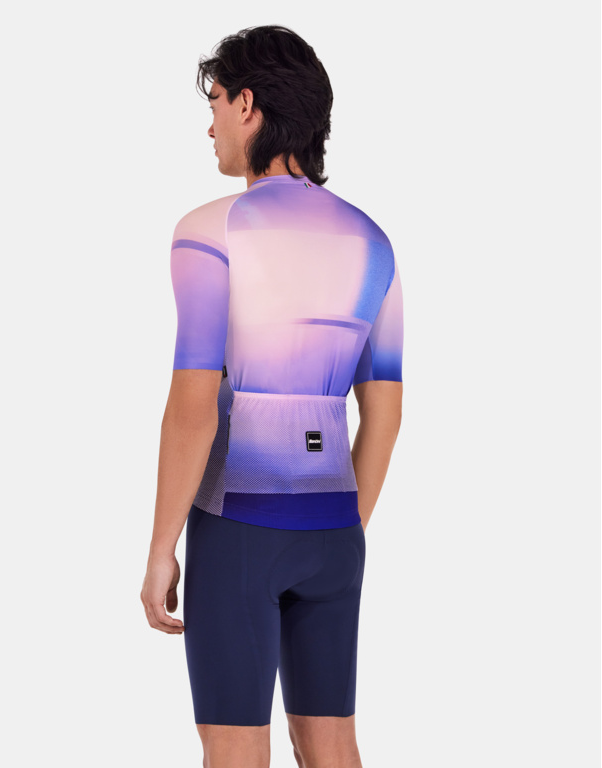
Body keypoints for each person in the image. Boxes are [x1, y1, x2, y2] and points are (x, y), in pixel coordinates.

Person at [140, 25, 403, 768]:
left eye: (216, 103)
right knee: (333, 745)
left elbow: (192, 406)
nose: (211, 126)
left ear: (248, 105)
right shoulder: (373, 241)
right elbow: (385, 412)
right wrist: (340, 528)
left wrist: (161, 548)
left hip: (238, 529)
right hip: (335, 531)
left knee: (234, 751)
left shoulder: (208, 232)